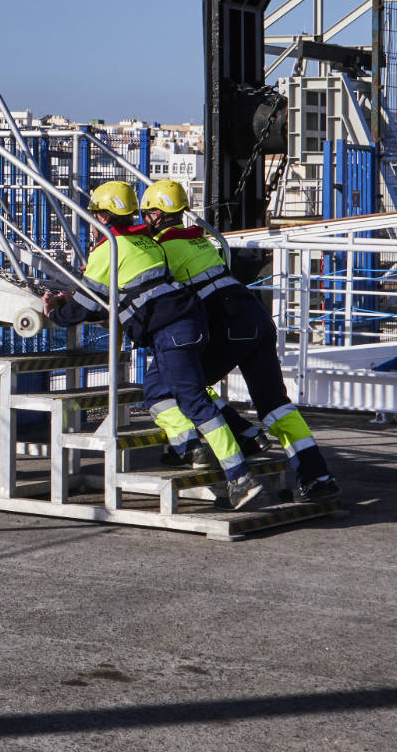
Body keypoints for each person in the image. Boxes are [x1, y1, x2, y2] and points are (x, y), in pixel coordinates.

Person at [43, 180, 268, 510]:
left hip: (170, 333)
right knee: (157, 393)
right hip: (190, 323)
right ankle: (192, 448)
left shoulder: (110, 249)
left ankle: (240, 478)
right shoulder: (144, 242)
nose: (91, 223)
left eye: (94, 215)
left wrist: (55, 313)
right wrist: (72, 296)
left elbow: (89, 305)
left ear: (103, 218)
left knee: (195, 403)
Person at [139, 179, 341, 504]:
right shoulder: (202, 241)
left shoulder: (162, 249)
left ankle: (226, 445)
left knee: (183, 386)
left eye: (147, 213)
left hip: (229, 322)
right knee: (275, 403)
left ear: (158, 216)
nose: (144, 219)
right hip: (256, 316)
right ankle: (317, 476)